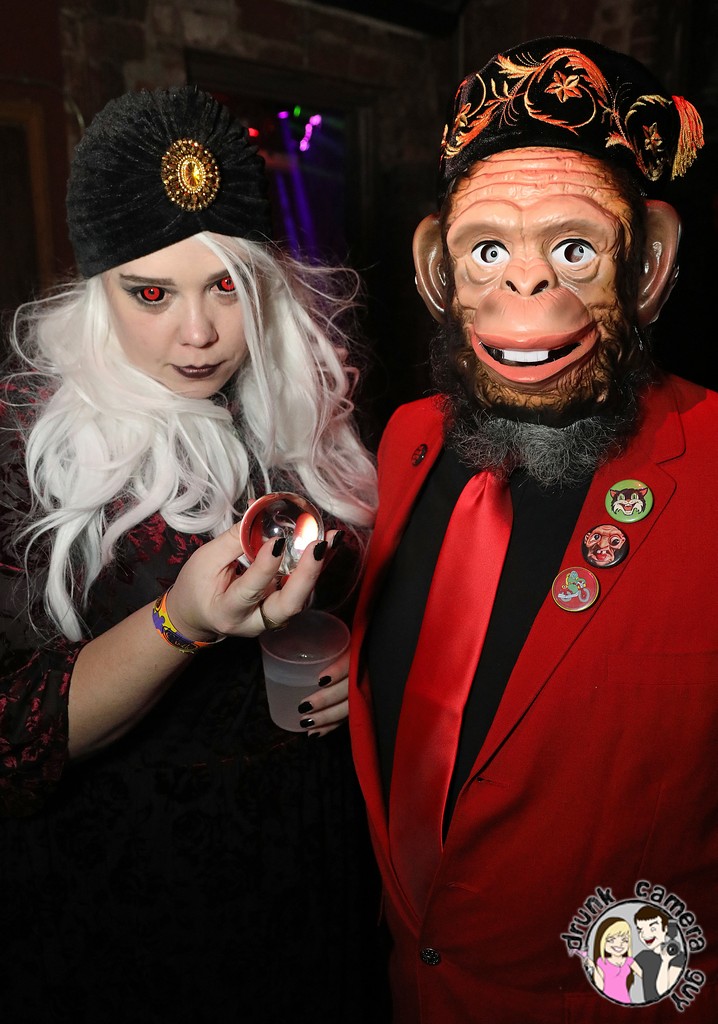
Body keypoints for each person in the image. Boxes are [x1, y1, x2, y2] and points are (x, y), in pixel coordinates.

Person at [348, 35, 718, 1022]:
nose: (526, 289)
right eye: (487, 250)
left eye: (572, 248)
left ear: (647, 268)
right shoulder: (406, 438)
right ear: (438, 272)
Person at [0, 86, 385, 1023]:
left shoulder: (294, 405)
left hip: (308, 873)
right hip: (132, 904)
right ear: (97, 291)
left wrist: (366, 667)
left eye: (225, 285)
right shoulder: (28, 443)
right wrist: (181, 622)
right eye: (152, 293)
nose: (200, 332)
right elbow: (12, 739)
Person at [634, 905, 687, 1003]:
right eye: (640, 930)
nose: (645, 935)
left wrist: (665, 961)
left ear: (665, 928)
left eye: (653, 929)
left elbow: (663, 992)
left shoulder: (678, 957)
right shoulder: (643, 956)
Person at [585, 917, 642, 1004]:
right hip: (606, 1002)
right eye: (611, 940)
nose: (619, 944)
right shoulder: (601, 962)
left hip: (625, 1001)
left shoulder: (629, 961)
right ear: (602, 941)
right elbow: (600, 986)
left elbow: (645, 976)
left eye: (625, 940)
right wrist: (593, 967)